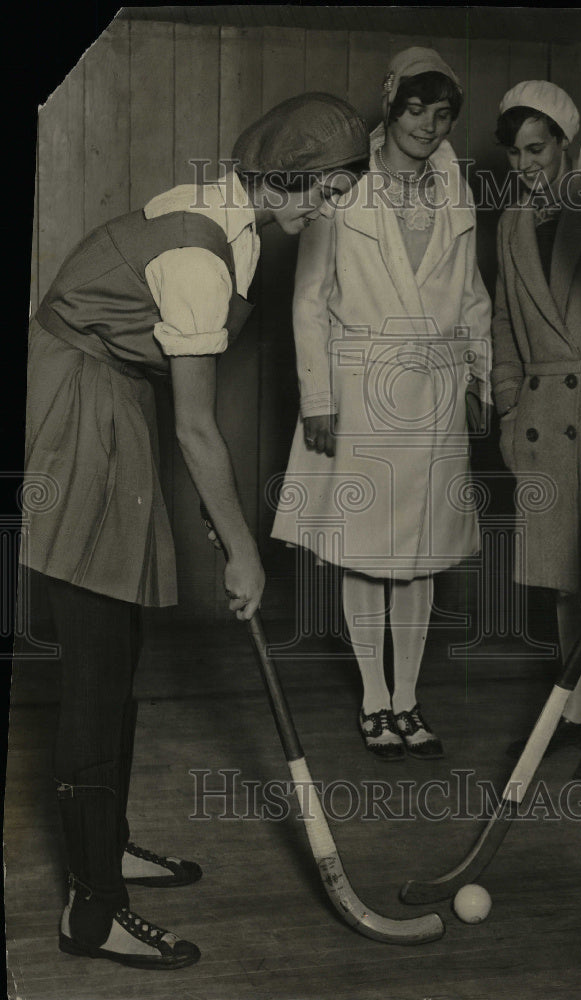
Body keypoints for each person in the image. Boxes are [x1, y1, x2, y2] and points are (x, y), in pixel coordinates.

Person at [22, 93, 369, 970]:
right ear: (283, 174)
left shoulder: (233, 222)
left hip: (113, 401)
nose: (324, 209)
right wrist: (246, 551)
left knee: (120, 645)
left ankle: (107, 848)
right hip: (77, 410)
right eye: (322, 191)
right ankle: (92, 910)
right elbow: (198, 431)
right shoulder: (199, 255)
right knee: (98, 657)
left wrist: (221, 519)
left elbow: (179, 408)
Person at [272, 48, 492, 761]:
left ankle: (408, 701)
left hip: (435, 389)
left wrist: (479, 379)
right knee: (365, 551)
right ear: (391, 106)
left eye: (443, 112)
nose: (429, 125)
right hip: (360, 387)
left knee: (421, 553)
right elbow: (308, 302)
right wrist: (317, 398)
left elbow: (471, 298)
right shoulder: (341, 187)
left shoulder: (456, 191)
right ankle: (373, 700)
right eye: (417, 109)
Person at [491, 81, 581, 781]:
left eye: (536, 148)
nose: (525, 164)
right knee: (559, 580)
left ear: (564, 145)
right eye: (516, 152)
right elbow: (500, 326)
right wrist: (505, 409)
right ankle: (575, 710)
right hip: (539, 419)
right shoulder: (510, 222)